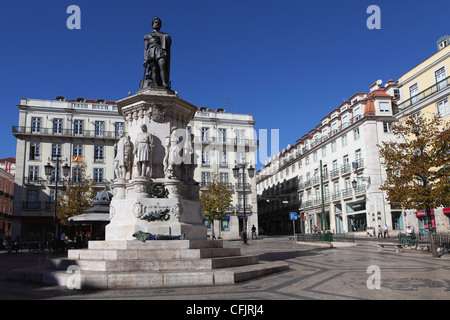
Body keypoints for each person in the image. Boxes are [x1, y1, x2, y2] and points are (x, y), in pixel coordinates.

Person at [142, 17, 172, 89]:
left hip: (160, 51)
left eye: (158, 23)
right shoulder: (147, 36)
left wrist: (159, 36)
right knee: (154, 69)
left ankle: (164, 83)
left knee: (162, 65)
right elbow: (146, 48)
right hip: (151, 51)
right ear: (152, 24)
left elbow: (168, 41)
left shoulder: (164, 35)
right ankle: (156, 85)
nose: (157, 24)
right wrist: (145, 59)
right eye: (155, 22)